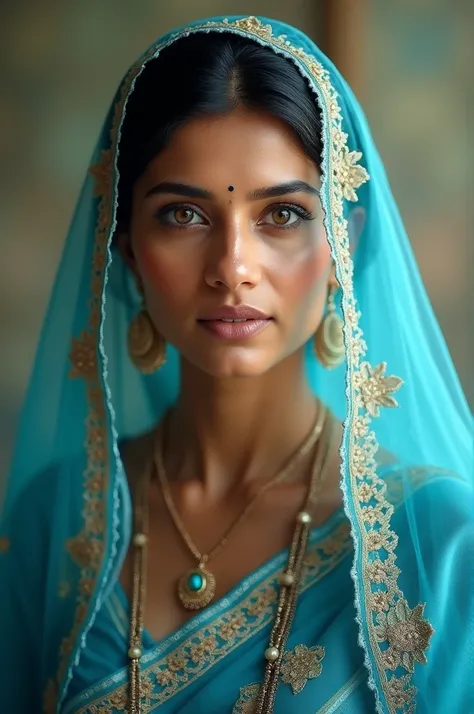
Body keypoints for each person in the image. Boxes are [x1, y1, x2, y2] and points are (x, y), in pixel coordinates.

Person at [0, 14, 472, 714]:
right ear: (125, 245)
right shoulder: (59, 521)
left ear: (345, 239)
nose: (232, 269)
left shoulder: (437, 541)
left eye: (281, 214)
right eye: (183, 216)